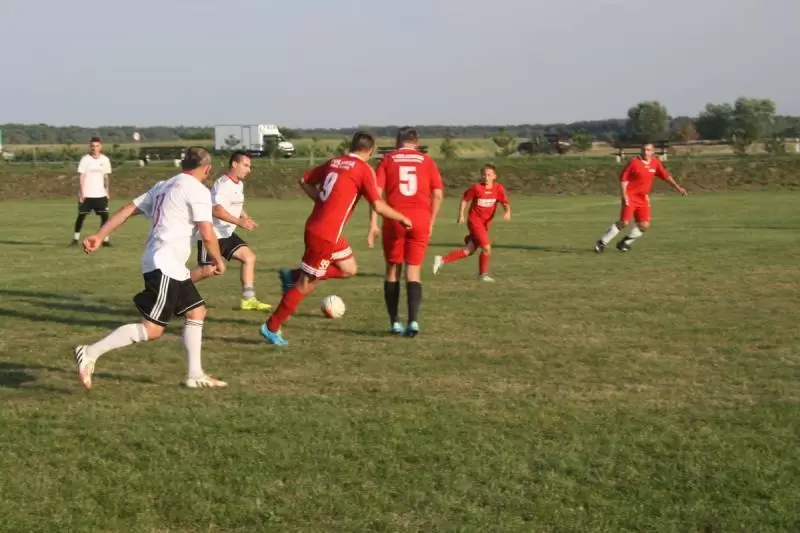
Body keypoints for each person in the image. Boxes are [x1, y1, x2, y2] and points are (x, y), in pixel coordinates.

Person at [73, 147, 229, 389]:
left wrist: (100, 235)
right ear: (207, 169)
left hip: (167, 264)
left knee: (196, 312)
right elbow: (207, 233)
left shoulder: (163, 186)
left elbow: (128, 208)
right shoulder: (197, 190)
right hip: (165, 263)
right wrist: (218, 259)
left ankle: (195, 374)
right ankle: (90, 352)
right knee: (152, 329)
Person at [263, 132, 412, 346]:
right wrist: (402, 218)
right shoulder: (363, 170)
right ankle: (271, 327)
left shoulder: (335, 162)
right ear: (371, 151)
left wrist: (321, 201)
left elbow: (304, 180)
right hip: (324, 235)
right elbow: (378, 206)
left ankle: (292, 275)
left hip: (323, 230)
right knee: (305, 285)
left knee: (349, 269)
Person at [367, 127, 443, 337]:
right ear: (416, 143)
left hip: (394, 218)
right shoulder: (427, 161)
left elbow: (376, 194)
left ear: (397, 142)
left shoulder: (388, 160)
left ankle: (395, 322)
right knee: (413, 270)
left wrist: (373, 224)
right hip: (420, 219)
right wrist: (431, 221)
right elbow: (437, 194)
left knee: (393, 270)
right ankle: (413, 321)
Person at [190, 150, 271, 311]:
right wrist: (239, 222)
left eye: (250, 166)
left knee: (249, 257)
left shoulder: (238, 184)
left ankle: (248, 299)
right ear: (234, 164)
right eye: (245, 165)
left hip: (225, 233)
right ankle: (175, 286)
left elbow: (236, 204)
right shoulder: (223, 184)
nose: (249, 170)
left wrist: (245, 217)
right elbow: (216, 210)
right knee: (208, 270)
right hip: (211, 233)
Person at [594, 143, 687, 253]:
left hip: (643, 198)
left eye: (648, 150)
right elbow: (623, 179)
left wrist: (678, 187)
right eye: (643, 149)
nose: (645, 152)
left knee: (644, 225)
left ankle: (624, 243)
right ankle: (602, 242)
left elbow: (666, 176)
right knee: (624, 223)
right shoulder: (634, 162)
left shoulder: (655, 162)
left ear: (652, 151)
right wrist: (624, 195)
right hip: (630, 197)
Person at [432, 163, 511, 282]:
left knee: (469, 250)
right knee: (487, 248)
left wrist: (507, 212)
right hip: (475, 221)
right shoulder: (476, 188)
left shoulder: (498, 189)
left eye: (489, 175)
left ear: (494, 176)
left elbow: (505, 202)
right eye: (484, 175)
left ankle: (442, 260)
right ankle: (482, 275)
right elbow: (465, 200)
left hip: (485, 224)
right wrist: (461, 214)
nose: (486, 177)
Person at [71, 136, 112, 247]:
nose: (95, 148)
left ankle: (105, 240)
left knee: (105, 217)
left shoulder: (105, 160)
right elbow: (82, 176)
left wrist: (107, 191)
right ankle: (75, 239)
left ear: (100, 146)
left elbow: (106, 177)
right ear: (90, 146)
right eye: (93, 146)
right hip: (87, 195)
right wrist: (82, 192)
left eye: (97, 146)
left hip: (100, 194)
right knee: (81, 216)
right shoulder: (85, 160)